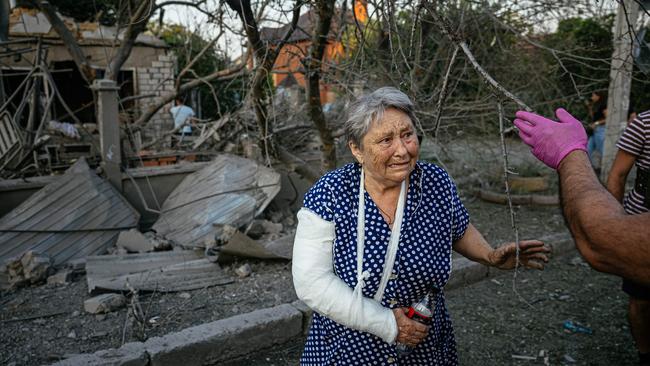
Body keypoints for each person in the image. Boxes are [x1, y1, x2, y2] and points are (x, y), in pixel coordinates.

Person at [292, 87, 550, 365]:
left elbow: (457, 228)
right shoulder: (330, 193)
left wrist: (490, 256)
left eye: (407, 135)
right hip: (348, 347)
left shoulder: (434, 183)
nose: (402, 150)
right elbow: (311, 282)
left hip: (422, 345)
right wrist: (386, 324)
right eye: (386, 140)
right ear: (357, 149)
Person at [605, 110, 650, 365]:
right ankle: (645, 354)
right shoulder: (643, 123)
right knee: (641, 298)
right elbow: (617, 175)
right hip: (640, 225)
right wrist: (614, 226)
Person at [586, 91, 608, 164]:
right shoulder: (596, 105)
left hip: (601, 129)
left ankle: (605, 167)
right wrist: (590, 107)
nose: (592, 97)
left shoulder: (604, 105)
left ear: (598, 96)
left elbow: (608, 118)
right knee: (588, 149)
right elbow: (593, 117)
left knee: (601, 149)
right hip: (594, 130)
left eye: (593, 95)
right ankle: (589, 167)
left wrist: (597, 123)